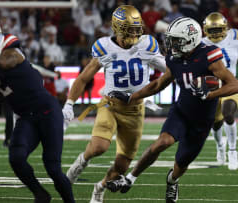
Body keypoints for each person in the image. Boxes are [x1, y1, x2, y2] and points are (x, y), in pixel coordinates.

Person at [106, 17, 238, 203]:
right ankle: (129, 178)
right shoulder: (174, 58)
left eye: (176, 40)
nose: (172, 45)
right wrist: (131, 97)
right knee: (161, 143)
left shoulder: (209, 55)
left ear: (191, 39)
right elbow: (158, 85)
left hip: (202, 121)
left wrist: (210, 94)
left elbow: (234, 85)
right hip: (181, 112)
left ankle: (172, 181)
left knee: (181, 164)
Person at [62, 5, 166, 203]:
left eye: (137, 28)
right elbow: (84, 78)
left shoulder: (147, 45)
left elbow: (169, 69)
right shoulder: (104, 47)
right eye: (131, 29)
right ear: (117, 28)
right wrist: (69, 103)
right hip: (110, 105)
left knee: (122, 166)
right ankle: (79, 163)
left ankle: (99, 188)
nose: (136, 33)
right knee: (99, 147)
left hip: (135, 110)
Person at [0, 17, 74, 203]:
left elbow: (5, 63)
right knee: (16, 157)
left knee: (52, 167)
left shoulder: (11, 49)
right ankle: (40, 194)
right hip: (26, 117)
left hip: (47, 111)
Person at [202, 12, 238, 169]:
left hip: (231, 83)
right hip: (213, 86)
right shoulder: (201, 44)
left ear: (225, 28)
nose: (214, 34)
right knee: (215, 123)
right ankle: (220, 146)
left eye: (217, 29)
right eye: (211, 30)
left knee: (229, 114)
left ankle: (233, 151)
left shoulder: (234, 37)